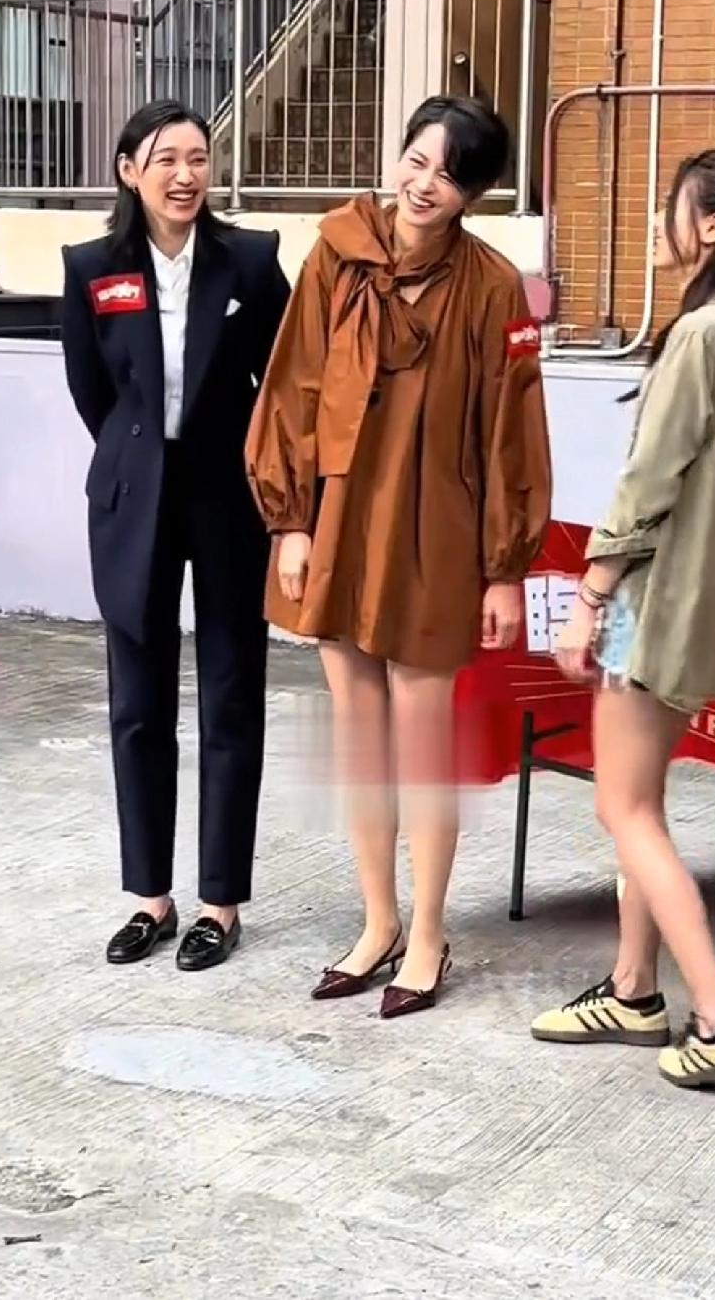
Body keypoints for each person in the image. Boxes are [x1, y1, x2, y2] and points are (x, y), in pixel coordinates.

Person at [246, 95, 552, 1018]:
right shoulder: (337, 253)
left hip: (438, 531)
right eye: (416, 160)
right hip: (338, 521)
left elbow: (512, 431)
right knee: (360, 738)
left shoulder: (496, 288)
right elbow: (293, 386)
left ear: (475, 194)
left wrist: (506, 568)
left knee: (421, 745)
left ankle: (427, 933)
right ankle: (376, 922)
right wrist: (290, 523)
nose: (424, 185)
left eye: (449, 175)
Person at [531, 148, 715, 1087]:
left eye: (671, 207)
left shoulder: (702, 334)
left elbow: (648, 484)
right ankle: (633, 989)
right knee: (640, 802)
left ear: (713, 227)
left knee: (625, 808)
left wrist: (588, 597)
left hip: (654, 606)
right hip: (699, 607)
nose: (657, 222)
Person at [61, 99, 290, 971]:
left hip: (228, 498)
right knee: (138, 704)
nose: (186, 174)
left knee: (231, 694)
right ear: (130, 171)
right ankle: (148, 897)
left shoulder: (251, 261)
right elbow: (92, 390)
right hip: (134, 500)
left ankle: (219, 903)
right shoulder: (93, 268)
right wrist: (138, 459)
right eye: (166, 159)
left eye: (198, 157)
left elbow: (284, 382)